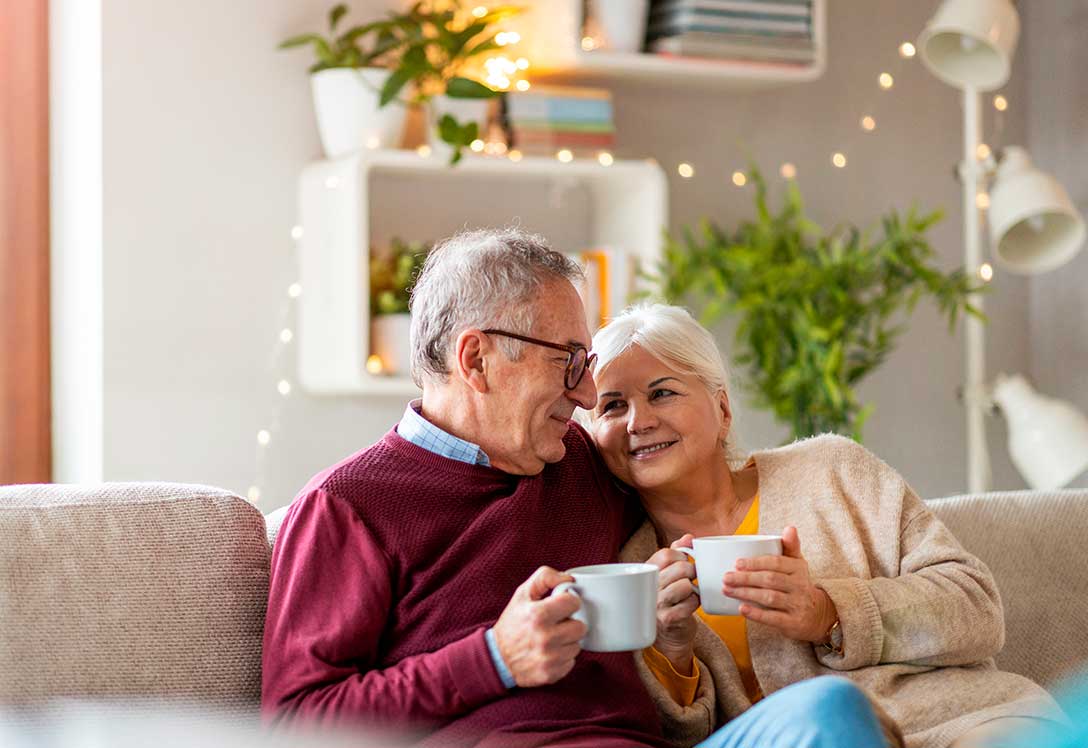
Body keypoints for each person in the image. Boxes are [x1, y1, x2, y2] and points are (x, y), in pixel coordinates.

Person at [262, 229, 895, 748]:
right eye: (568, 361)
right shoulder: (348, 506)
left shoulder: (584, 462)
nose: (589, 396)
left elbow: (692, 459)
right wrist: (493, 658)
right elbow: (298, 724)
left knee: (830, 712)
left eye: (586, 365)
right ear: (476, 360)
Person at [583, 302, 1065, 748]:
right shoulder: (629, 571)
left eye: (661, 393)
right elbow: (681, 737)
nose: (637, 421)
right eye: (612, 405)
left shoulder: (831, 469)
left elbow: (976, 606)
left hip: (963, 723)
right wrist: (672, 650)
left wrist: (829, 613)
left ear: (723, 410)